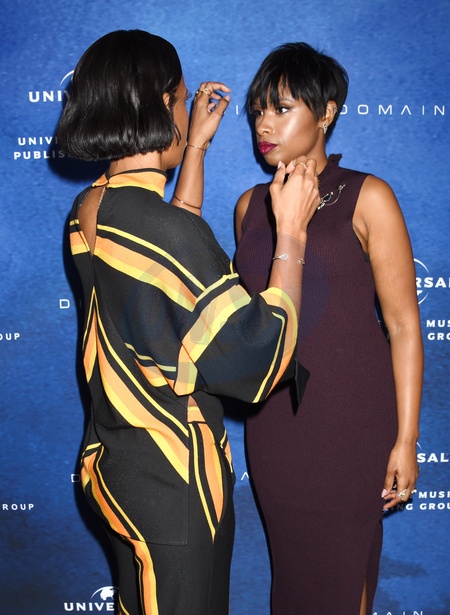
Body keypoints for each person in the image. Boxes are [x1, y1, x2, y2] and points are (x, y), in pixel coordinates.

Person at [57, 30, 320, 615]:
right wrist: (292, 233)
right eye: (179, 99)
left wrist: (193, 147)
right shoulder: (161, 232)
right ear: (158, 103)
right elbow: (261, 356)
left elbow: (165, 259)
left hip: (117, 462)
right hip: (173, 478)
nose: (185, 108)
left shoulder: (94, 207)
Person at [234, 42, 423, 615]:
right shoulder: (249, 207)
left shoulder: (368, 196)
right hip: (274, 428)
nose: (264, 125)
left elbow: (403, 325)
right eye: (258, 111)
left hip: (351, 426)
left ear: (327, 112)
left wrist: (406, 439)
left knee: (343, 580)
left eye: (281, 108)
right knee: (296, 583)